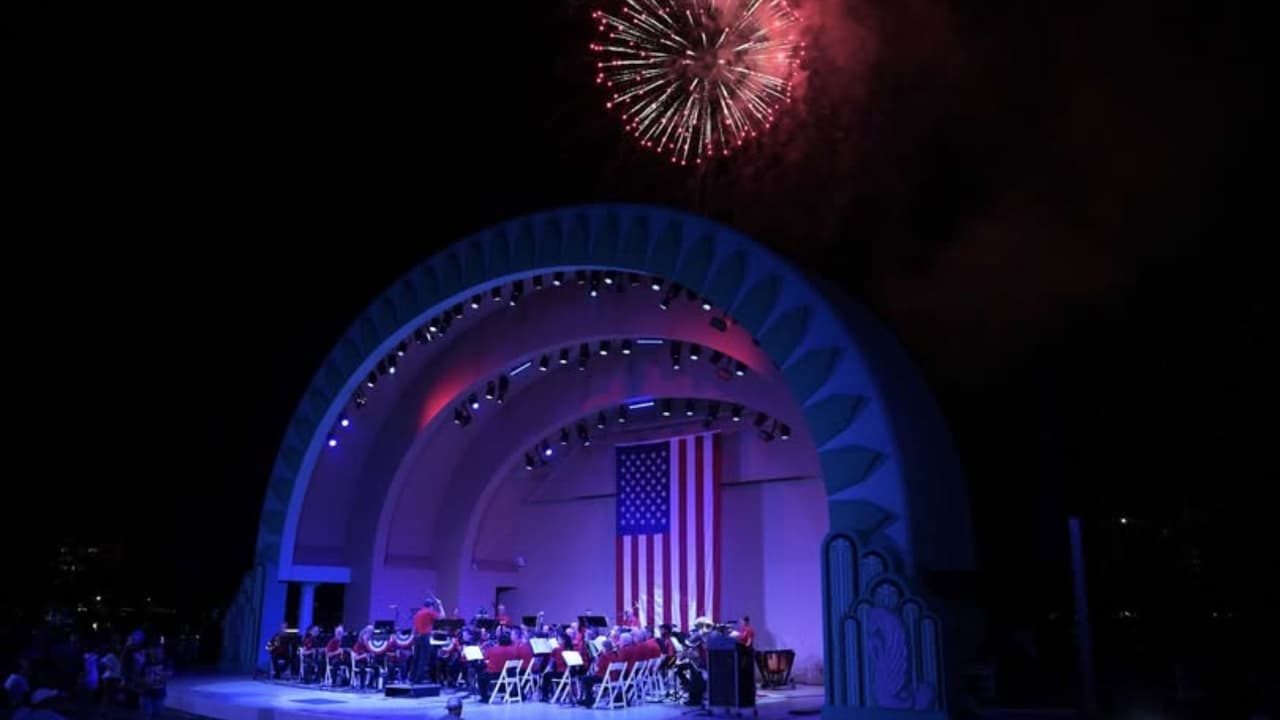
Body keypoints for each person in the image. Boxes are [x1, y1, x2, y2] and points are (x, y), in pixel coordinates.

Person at [412, 597, 442, 684]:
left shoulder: (418, 613)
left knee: (416, 658)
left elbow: (415, 628)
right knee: (423, 659)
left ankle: (412, 678)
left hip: (417, 637)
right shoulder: (429, 612)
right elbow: (442, 616)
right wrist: (440, 605)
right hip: (425, 637)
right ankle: (418, 680)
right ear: (431, 606)